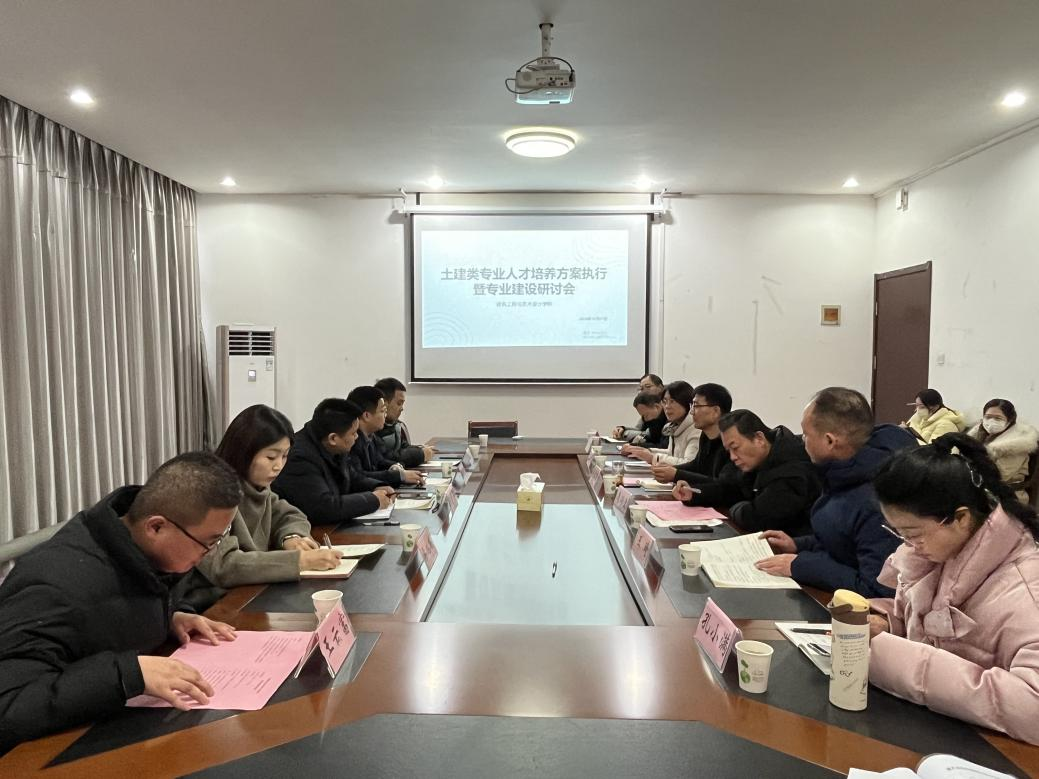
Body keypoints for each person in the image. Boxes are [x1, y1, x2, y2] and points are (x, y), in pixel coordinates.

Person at [0, 453, 242, 753]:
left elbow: (118, 608)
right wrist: (126, 674)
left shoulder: (138, 547)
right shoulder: (56, 588)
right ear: (156, 527)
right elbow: (8, 706)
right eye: (209, 542)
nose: (209, 552)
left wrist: (171, 616)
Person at [867, 433, 1039, 745]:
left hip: (993, 751)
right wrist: (886, 623)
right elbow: (922, 624)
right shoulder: (937, 553)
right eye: (899, 533)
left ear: (961, 518)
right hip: (930, 727)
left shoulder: (1025, 588)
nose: (909, 546)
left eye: (913, 534)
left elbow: (1032, 708)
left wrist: (895, 658)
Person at [757, 387, 916, 596]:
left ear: (830, 441)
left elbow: (877, 589)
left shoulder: (879, 497)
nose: (802, 440)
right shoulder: (843, 472)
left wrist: (800, 566)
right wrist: (798, 545)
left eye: (806, 434)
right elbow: (842, 540)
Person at [193, 405, 344, 593]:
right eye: (271, 457)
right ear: (244, 451)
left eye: (285, 456)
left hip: (251, 590)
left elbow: (290, 515)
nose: (278, 466)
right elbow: (223, 566)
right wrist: (300, 561)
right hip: (211, 601)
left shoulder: (258, 486)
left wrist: (291, 537)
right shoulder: (210, 491)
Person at [676, 410, 820, 534]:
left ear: (759, 439)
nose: (732, 457)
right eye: (729, 451)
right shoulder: (764, 455)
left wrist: (736, 507)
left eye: (735, 448)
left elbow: (756, 518)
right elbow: (731, 488)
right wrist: (694, 493)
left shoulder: (791, 469)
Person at [273, 398, 396, 524]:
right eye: (353, 433)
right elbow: (323, 507)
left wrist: (376, 486)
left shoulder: (334, 447)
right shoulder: (299, 457)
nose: (357, 437)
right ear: (333, 438)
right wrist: (373, 500)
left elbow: (353, 477)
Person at [345, 386, 424, 488]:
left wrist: (395, 466)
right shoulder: (352, 441)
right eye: (382, 411)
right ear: (366, 416)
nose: (385, 416)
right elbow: (359, 477)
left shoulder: (371, 436)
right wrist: (399, 476)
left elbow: (380, 461)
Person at [657, 382, 732, 488]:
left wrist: (676, 474)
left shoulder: (730, 442)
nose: (691, 412)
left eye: (696, 406)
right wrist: (670, 470)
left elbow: (722, 485)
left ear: (716, 411)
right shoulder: (705, 436)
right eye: (692, 406)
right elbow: (697, 465)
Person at [967, 398, 1038, 501]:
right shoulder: (979, 434)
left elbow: (999, 475)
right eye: (988, 417)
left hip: (1007, 496)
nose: (991, 421)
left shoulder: (1017, 444)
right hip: (977, 488)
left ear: (1010, 420)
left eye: (998, 418)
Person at [621, 380, 699, 466]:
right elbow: (670, 453)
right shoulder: (674, 426)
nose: (667, 406)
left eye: (672, 401)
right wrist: (645, 451)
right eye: (665, 401)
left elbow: (689, 464)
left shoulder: (696, 429)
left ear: (688, 403)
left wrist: (653, 457)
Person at [373, 377, 432, 468]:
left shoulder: (397, 426)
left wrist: (420, 449)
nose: (402, 408)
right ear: (384, 403)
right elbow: (387, 457)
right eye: (399, 403)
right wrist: (421, 454)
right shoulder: (373, 429)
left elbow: (404, 447)